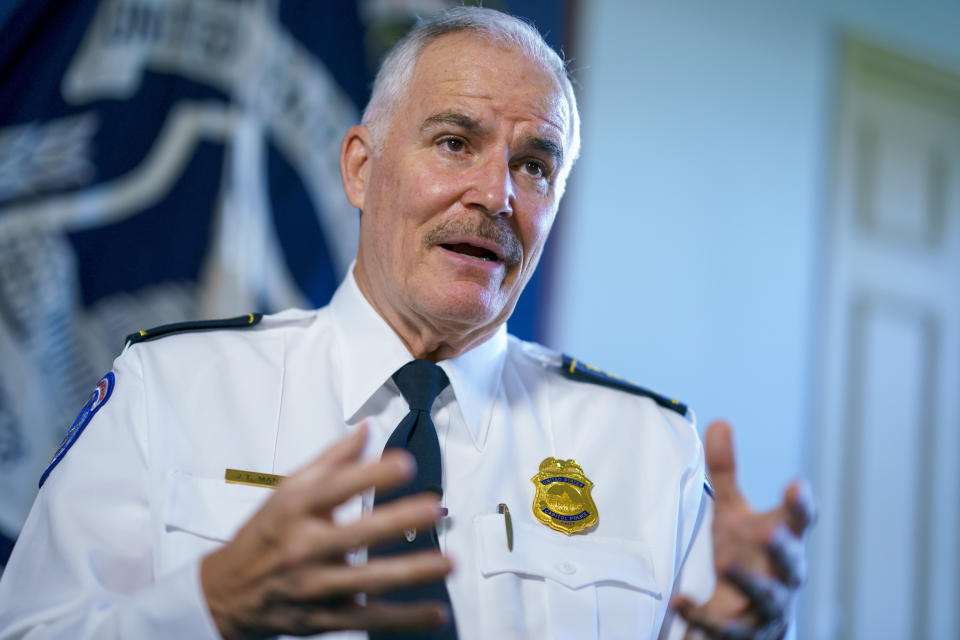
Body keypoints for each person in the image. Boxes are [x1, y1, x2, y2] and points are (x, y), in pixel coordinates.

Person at [0, 7, 813, 640]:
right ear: (360, 167)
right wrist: (207, 607)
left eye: (534, 165)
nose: (496, 195)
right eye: (456, 142)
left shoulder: (647, 448)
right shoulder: (168, 390)